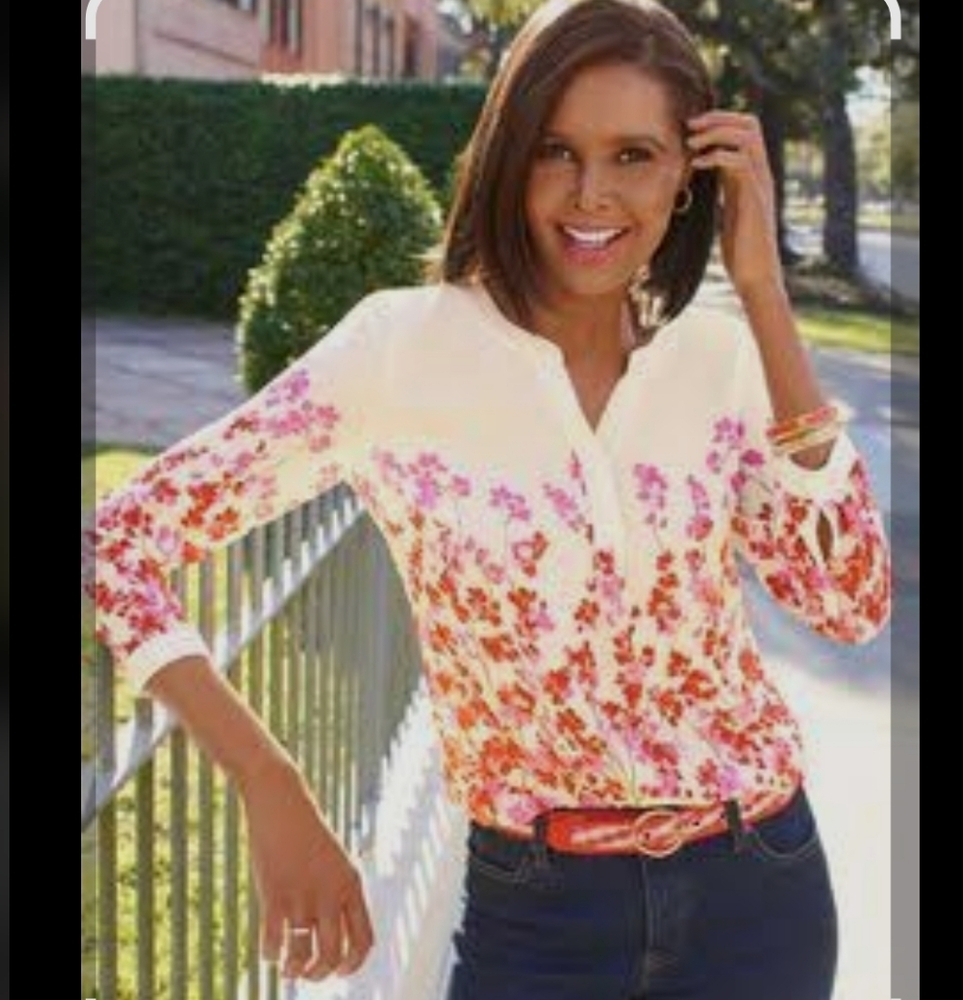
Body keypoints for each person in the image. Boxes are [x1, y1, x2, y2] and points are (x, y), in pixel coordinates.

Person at [83, 0, 891, 996]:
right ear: (508, 156)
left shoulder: (720, 360)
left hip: (759, 892)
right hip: (538, 913)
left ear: (690, 176)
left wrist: (765, 292)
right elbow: (122, 541)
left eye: (633, 154)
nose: (589, 194)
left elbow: (846, 602)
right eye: (556, 150)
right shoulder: (398, 350)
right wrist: (269, 782)